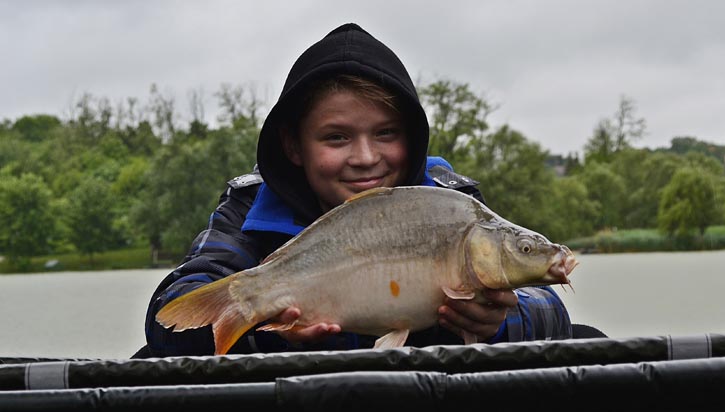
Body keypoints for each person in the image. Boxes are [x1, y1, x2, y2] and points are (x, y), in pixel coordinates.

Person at [141, 23, 573, 357]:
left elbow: (551, 312)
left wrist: (498, 322)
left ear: (413, 137)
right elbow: (172, 313)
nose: (366, 157)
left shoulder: (450, 204)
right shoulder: (251, 208)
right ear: (293, 145)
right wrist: (276, 341)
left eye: (386, 133)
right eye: (336, 138)